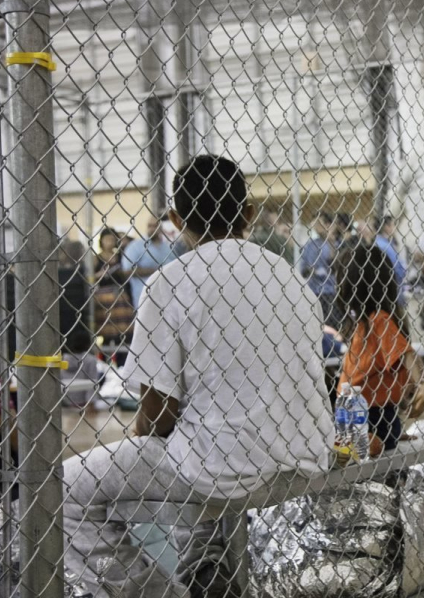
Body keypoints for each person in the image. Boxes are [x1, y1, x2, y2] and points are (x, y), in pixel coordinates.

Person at [61, 155, 334, 598]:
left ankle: (162, 592)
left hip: (222, 466)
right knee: (198, 438)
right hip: (306, 452)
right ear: (248, 213)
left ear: (176, 219)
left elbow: (156, 415)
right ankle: (206, 564)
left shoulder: (169, 281)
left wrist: (144, 439)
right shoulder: (288, 276)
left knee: (63, 490)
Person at [337, 244, 424, 457]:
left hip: (368, 415)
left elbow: (407, 355)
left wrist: (422, 385)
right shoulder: (367, 322)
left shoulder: (379, 320)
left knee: (364, 464)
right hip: (363, 413)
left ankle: (378, 441)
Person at [121, 215, 177, 309]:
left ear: (160, 228)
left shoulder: (167, 247)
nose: (152, 229)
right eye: (149, 226)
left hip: (168, 297)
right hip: (144, 297)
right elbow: (127, 271)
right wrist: (157, 271)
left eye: (155, 226)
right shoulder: (135, 246)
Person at [300, 211, 343, 328]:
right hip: (314, 291)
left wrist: (331, 241)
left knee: (332, 325)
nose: (315, 226)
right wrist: (311, 271)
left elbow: (335, 265)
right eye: (314, 224)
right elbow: (303, 269)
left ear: (329, 225)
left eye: (319, 223)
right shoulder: (310, 245)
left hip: (331, 291)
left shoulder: (337, 244)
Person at [94, 228, 135, 344]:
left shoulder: (120, 256)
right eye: (107, 240)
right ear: (101, 241)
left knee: (124, 330)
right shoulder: (96, 258)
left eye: (112, 240)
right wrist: (100, 274)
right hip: (104, 296)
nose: (110, 243)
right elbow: (90, 277)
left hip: (119, 295)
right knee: (107, 332)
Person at [373, 215, 407, 304]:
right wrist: (402, 273)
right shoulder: (384, 246)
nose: (394, 228)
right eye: (392, 225)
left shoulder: (380, 242)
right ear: (386, 227)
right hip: (391, 285)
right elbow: (396, 266)